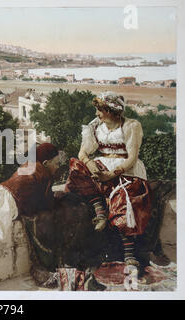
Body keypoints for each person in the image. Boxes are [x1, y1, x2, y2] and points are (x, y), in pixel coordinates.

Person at [65, 92, 152, 267]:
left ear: (111, 111)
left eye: (100, 110)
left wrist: (111, 174)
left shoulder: (130, 126)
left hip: (125, 170)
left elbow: (132, 158)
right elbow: (83, 153)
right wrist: (90, 165)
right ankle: (100, 212)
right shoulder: (94, 127)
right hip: (101, 164)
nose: (97, 114)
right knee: (76, 167)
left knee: (126, 198)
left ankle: (129, 253)